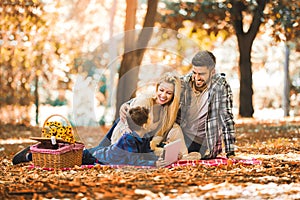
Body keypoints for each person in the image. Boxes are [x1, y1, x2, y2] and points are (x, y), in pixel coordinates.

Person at [104, 72, 188, 156]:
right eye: (161, 90)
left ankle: (183, 156)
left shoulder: (166, 111)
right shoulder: (144, 102)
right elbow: (131, 129)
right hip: (126, 141)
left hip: (142, 143)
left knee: (175, 128)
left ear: (173, 95)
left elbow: (156, 136)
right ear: (157, 88)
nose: (163, 95)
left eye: (168, 93)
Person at [177, 50, 236, 159]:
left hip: (204, 143)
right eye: (194, 72)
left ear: (212, 72)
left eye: (202, 74)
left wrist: (230, 153)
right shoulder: (183, 84)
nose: (197, 78)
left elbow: (226, 118)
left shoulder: (220, 86)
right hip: (182, 137)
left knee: (197, 155)